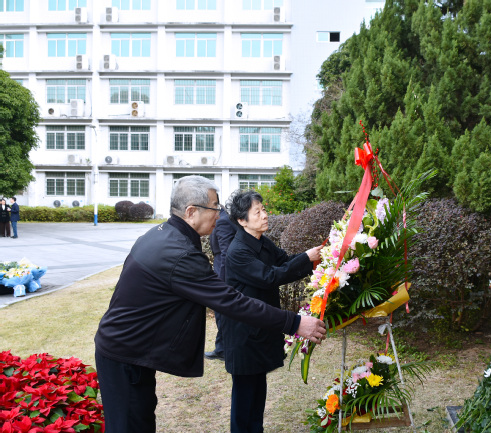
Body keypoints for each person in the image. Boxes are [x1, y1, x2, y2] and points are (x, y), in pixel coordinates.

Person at [94, 176, 326, 433]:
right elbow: (231, 300)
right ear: (191, 212)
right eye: (215, 207)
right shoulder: (178, 253)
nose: (220, 214)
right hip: (124, 352)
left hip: (129, 349)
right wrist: (294, 323)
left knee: (141, 419)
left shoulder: (164, 235)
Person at [221, 190, 323, 433]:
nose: (265, 215)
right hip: (243, 333)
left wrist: (314, 260)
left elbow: (284, 262)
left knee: (258, 393)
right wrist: (306, 258)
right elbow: (269, 277)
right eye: (257, 212)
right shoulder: (238, 251)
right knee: (245, 397)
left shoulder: (261, 241)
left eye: (264, 209)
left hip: (261, 326)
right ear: (242, 220)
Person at [204, 207, 238, 361]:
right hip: (221, 268)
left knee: (221, 311)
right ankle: (221, 347)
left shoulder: (222, 221)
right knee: (222, 311)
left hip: (222, 270)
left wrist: (222, 280)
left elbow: (226, 253)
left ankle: (224, 350)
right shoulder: (225, 218)